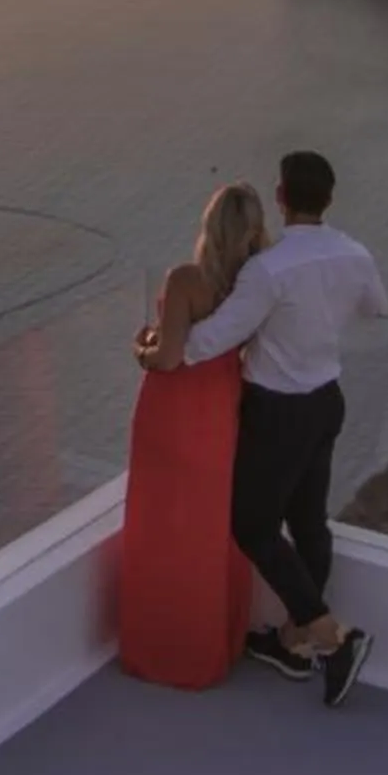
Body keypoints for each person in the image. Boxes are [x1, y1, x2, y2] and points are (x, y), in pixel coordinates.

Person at [143, 149, 387, 706]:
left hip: (277, 409)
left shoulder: (268, 269)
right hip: (328, 399)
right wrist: (321, 314)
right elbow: (377, 308)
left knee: (251, 526)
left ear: (281, 197)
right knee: (308, 523)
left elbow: (208, 341)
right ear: (329, 198)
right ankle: (295, 643)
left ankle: (333, 638)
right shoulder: (354, 253)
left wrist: (157, 344)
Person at [116, 182, 269, 687]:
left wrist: (141, 348)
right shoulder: (256, 281)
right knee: (210, 525)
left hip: (173, 410)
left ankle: (165, 652)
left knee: (163, 524)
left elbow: (170, 358)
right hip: (222, 408)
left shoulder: (186, 279)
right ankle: (214, 646)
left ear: (210, 227)